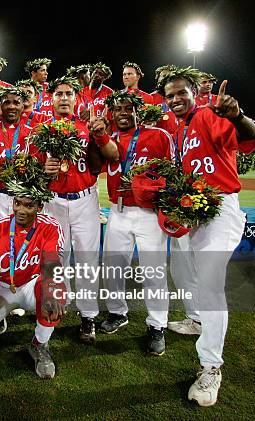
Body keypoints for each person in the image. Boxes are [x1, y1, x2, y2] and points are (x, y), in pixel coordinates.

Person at [159, 66, 255, 406]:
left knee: (210, 283)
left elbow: (246, 138)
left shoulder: (208, 114)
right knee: (183, 270)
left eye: (180, 92)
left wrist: (238, 115)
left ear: (194, 92)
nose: (175, 99)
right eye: (169, 95)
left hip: (220, 207)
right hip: (194, 209)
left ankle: (211, 366)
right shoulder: (178, 127)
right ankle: (196, 319)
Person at [0, 168, 66, 379]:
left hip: (31, 285)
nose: (21, 210)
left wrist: (49, 292)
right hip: (1, 287)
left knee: (56, 292)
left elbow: (52, 264)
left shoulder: (50, 227)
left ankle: (39, 344)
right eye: (17, 203)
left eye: (29, 205)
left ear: (40, 206)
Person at [41, 77, 119, 343]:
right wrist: (42, 169)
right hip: (53, 200)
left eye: (69, 93)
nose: (64, 98)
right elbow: (30, 167)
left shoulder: (88, 127)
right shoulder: (43, 129)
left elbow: (111, 156)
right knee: (55, 260)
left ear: (76, 99)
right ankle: (53, 308)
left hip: (86, 199)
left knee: (87, 261)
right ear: (51, 99)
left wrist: (99, 134)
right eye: (59, 93)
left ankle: (88, 317)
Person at [99, 91, 173, 355]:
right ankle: (118, 313)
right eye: (117, 109)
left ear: (137, 111)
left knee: (153, 272)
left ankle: (157, 325)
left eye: (127, 108)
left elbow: (173, 171)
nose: (122, 113)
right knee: (113, 268)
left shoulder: (158, 135)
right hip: (118, 211)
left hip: (149, 214)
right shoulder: (107, 140)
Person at [0, 87, 33, 223]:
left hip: (23, 197)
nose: (11, 107)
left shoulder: (32, 134)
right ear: (0, 106)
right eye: (6, 102)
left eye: (16, 102)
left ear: (23, 106)